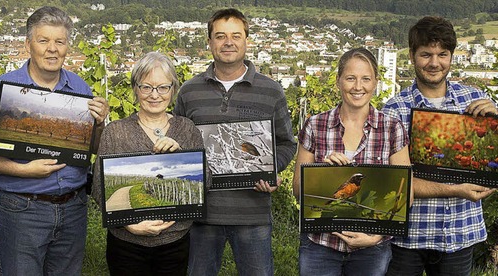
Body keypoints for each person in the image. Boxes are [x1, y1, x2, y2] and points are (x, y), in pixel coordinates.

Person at [0, 6, 109, 276]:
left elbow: (93, 149)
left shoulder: (81, 89)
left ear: (68, 46)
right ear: (28, 44)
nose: (52, 49)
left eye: (60, 41)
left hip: (73, 208)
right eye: (44, 41)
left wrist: (99, 125)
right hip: (21, 209)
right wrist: (22, 170)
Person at [174, 8, 297, 276]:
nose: (228, 42)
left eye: (235, 35)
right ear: (209, 42)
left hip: (252, 214)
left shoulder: (271, 91)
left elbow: (287, 143)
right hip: (201, 216)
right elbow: (178, 144)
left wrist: (272, 170)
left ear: (246, 41)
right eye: (220, 36)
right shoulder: (189, 92)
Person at [381, 16, 496, 275]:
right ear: (411, 56)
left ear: (452, 56)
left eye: (442, 54)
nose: (434, 63)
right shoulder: (393, 110)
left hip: (460, 232)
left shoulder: (476, 100)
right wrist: (458, 189)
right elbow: (396, 181)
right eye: (426, 54)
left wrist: (497, 121)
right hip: (407, 237)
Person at [292, 47, 411, 276]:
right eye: (350, 78)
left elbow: (406, 193)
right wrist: (320, 173)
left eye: (366, 79)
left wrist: (377, 236)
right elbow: (298, 189)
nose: (358, 86)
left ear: (375, 82)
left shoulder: (392, 128)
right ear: (338, 82)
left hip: (372, 248)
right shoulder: (315, 125)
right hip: (321, 245)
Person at [92, 51, 204, 276]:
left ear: (173, 90)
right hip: (126, 245)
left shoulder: (187, 129)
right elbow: (98, 188)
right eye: (146, 87)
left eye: (163, 87)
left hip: (175, 243)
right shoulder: (116, 132)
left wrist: (181, 154)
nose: (155, 95)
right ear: (135, 89)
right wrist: (128, 224)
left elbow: (205, 183)